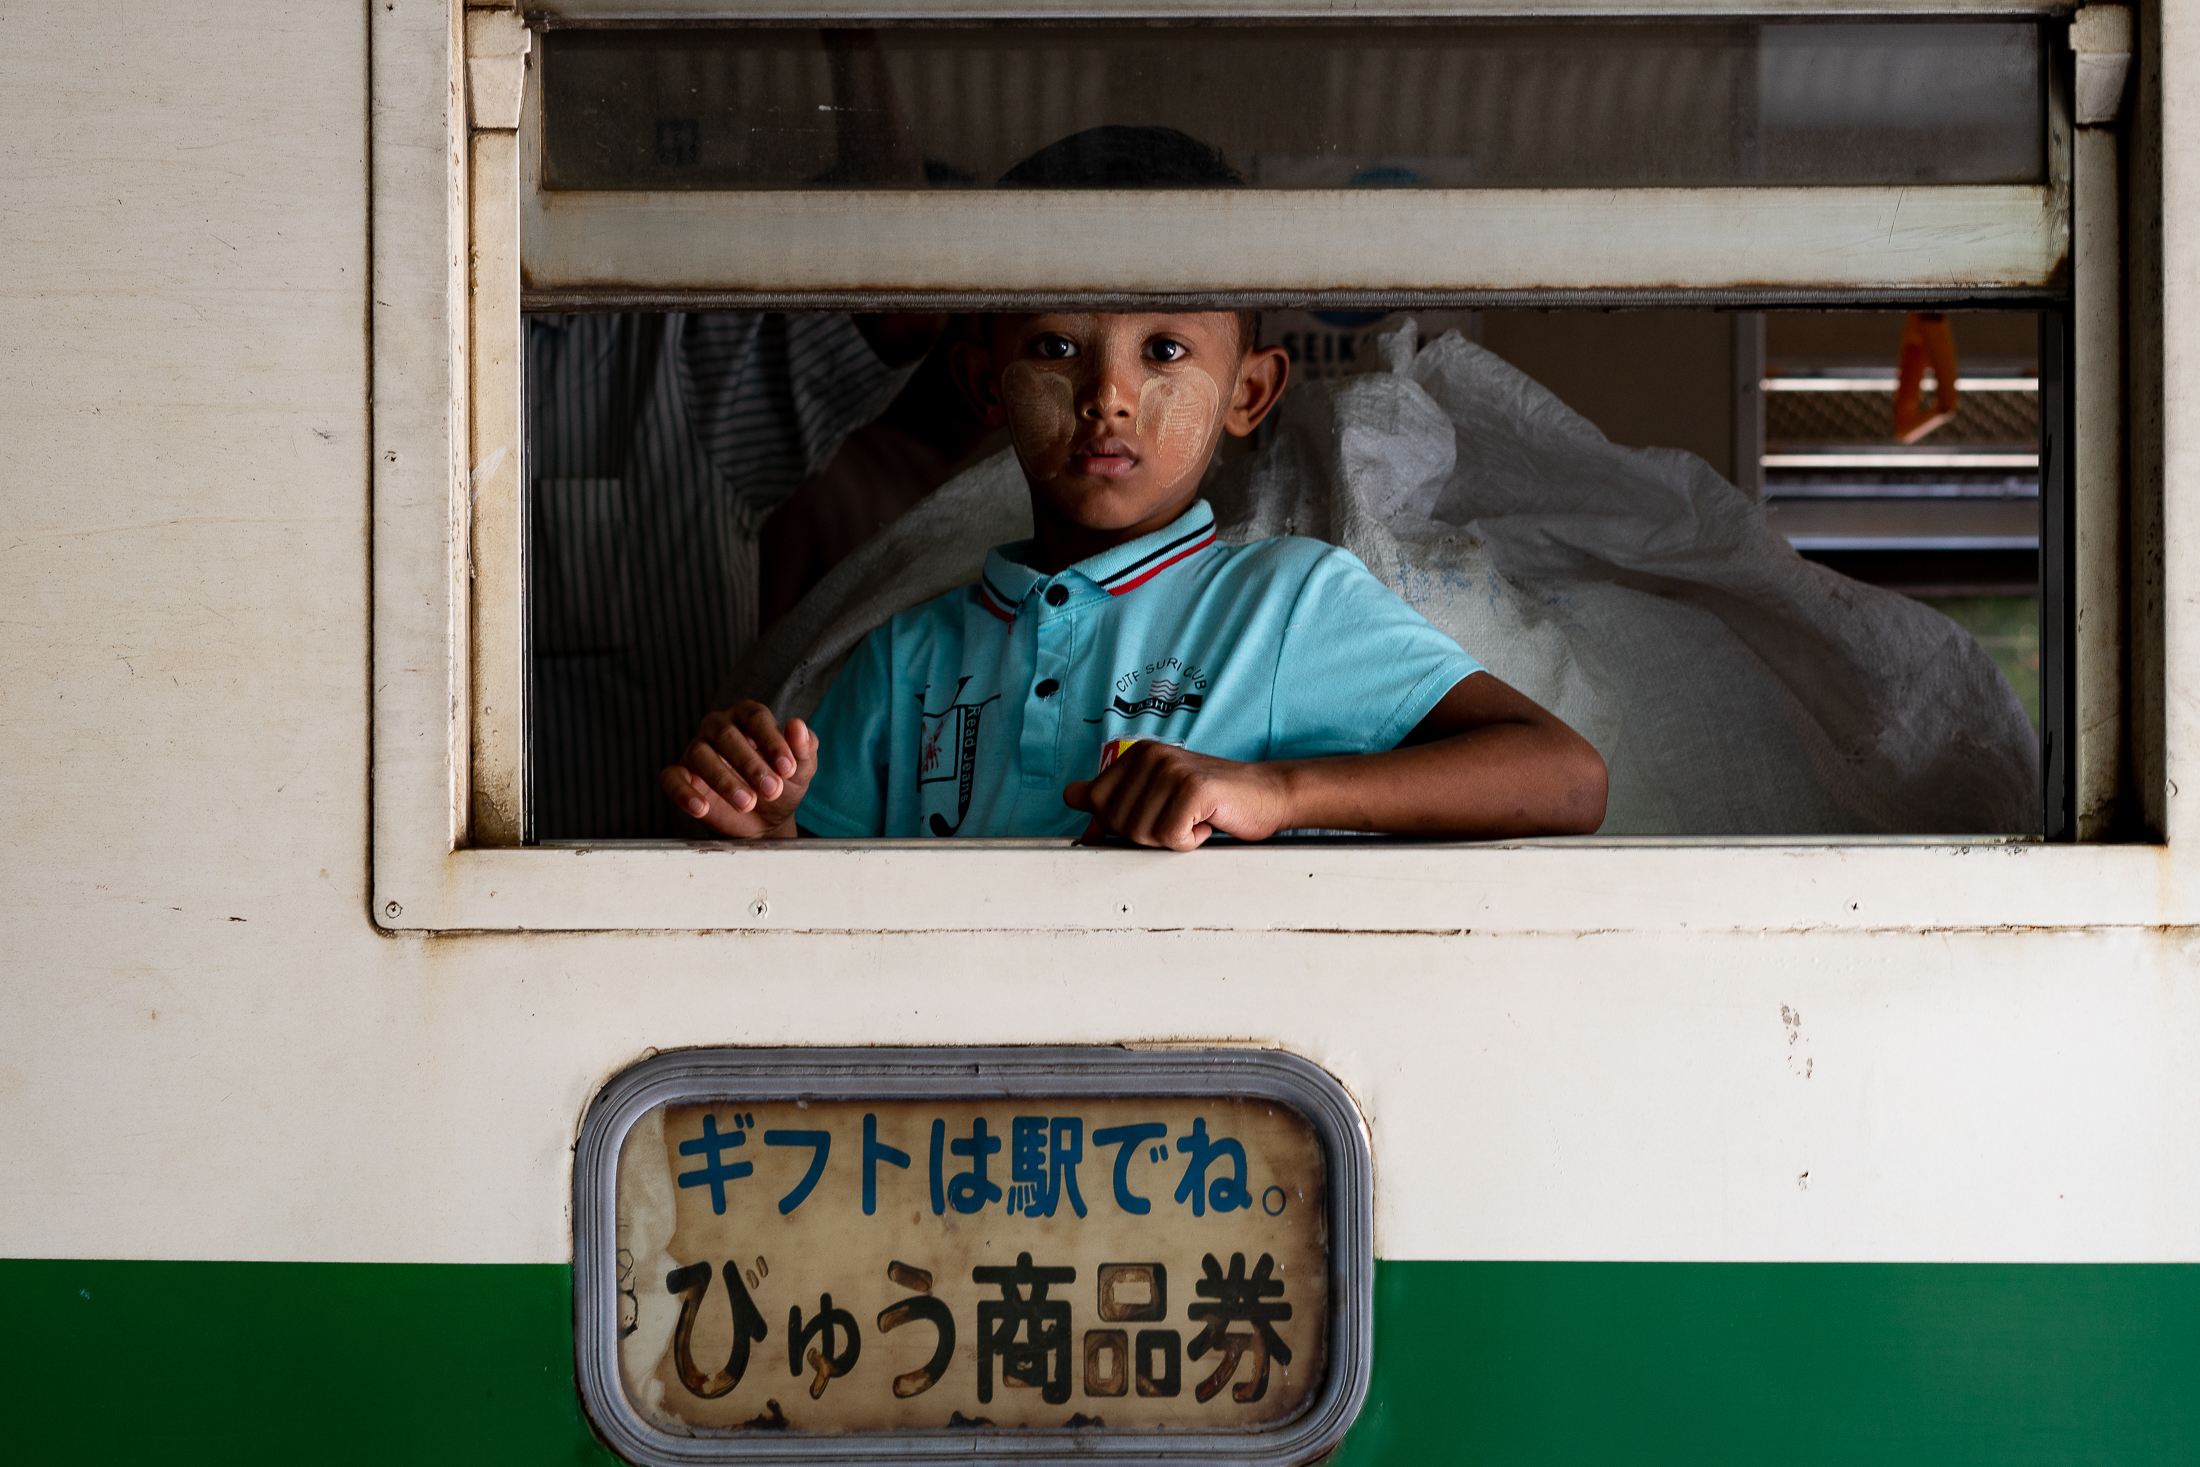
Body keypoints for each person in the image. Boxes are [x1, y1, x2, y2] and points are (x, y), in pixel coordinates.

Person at [658, 305, 1607, 848]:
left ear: (1249, 392)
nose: (1107, 394)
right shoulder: (906, 654)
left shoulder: (1283, 604)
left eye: (1164, 350)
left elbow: (1564, 777)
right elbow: (818, 928)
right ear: (985, 383)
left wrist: (1273, 793)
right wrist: (769, 822)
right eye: (1054, 346)